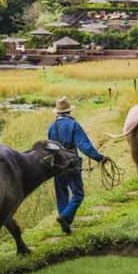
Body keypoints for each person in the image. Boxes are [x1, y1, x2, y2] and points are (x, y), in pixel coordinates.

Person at [48, 96, 104, 235]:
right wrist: (99, 158)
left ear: (57, 113)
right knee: (78, 194)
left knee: (62, 194)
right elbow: (84, 145)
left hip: (57, 164)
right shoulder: (74, 125)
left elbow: (49, 146)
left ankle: (65, 223)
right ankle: (65, 217)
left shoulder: (52, 127)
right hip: (71, 162)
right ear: (69, 112)